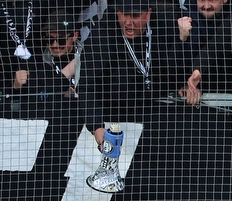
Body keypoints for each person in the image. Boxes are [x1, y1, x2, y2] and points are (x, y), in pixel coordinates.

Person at [80, 2, 193, 147]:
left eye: (134, 15)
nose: (128, 22)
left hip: (157, 120)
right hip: (115, 121)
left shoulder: (164, 27)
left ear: (148, 14)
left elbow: (174, 73)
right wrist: (96, 125)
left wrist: (182, 41)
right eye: (123, 14)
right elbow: (87, 85)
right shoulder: (102, 35)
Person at [14, 15, 81, 97]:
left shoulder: (87, 57)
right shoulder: (35, 62)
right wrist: (16, 86)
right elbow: (39, 97)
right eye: (50, 39)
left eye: (61, 40)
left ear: (75, 36)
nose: (55, 45)